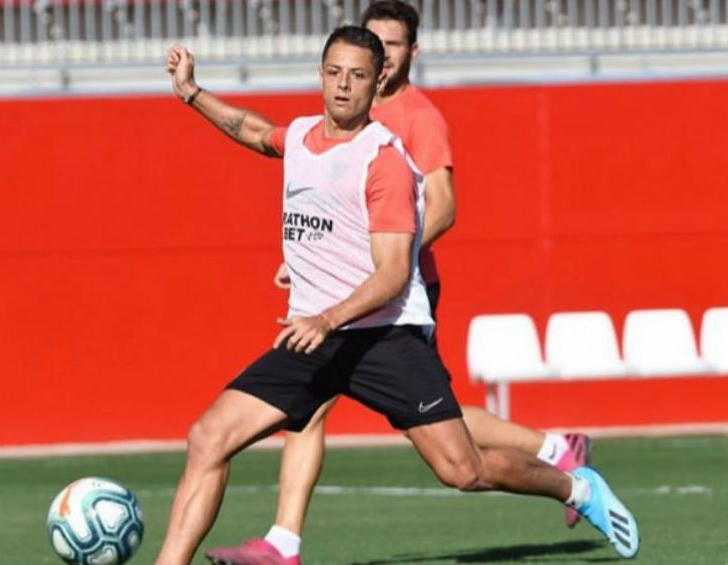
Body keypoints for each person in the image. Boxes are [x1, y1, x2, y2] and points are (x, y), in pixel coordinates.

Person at [157, 26, 640, 565]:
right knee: (208, 437)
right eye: (334, 73)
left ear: (376, 81)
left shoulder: (383, 160)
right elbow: (253, 130)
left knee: (464, 470)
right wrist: (192, 94)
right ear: (320, 74)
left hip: (383, 338)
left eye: (358, 76)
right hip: (316, 338)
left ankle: (576, 489)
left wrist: (327, 318)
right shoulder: (299, 139)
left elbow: (392, 275)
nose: (343, 86)